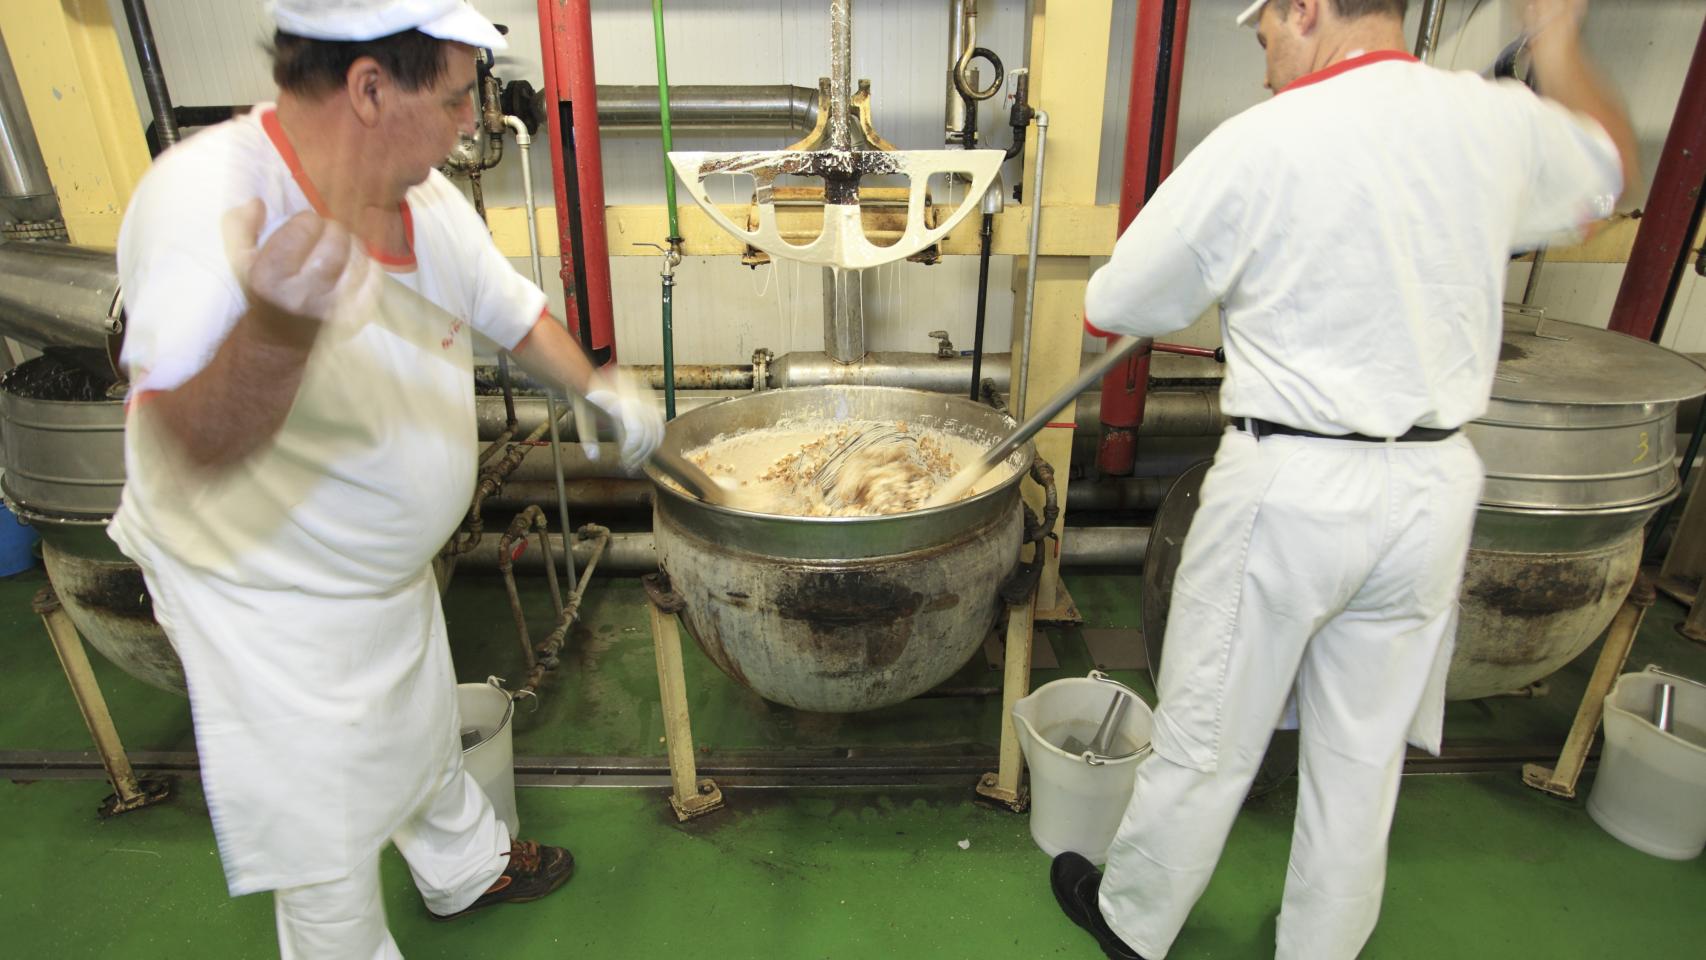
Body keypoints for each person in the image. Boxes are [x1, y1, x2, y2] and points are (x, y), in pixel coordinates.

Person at [1049, 1, 1634, 958]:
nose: (1266, 56)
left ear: (1308, 9)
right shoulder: (1491, 120)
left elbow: (1118, 301)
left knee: (1208, 733)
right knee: (1363, 756)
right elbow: (1609, 169)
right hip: (1433, 489)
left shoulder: (1263, 142)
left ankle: (1132, 921)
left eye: (1265, 32)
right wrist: (1560, 42)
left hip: (1293, 488)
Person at [109, 1, 663, 956]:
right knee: (324, 841)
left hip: (379, 572)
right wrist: (278, 330)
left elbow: (508, 307)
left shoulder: (420, 194)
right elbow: (185, 444)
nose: (468, 125)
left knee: (418, 724)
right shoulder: (206, 206)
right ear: (370, 87)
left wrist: (599, 386)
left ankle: (464, 868)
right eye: (453, 102)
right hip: (265, 601)